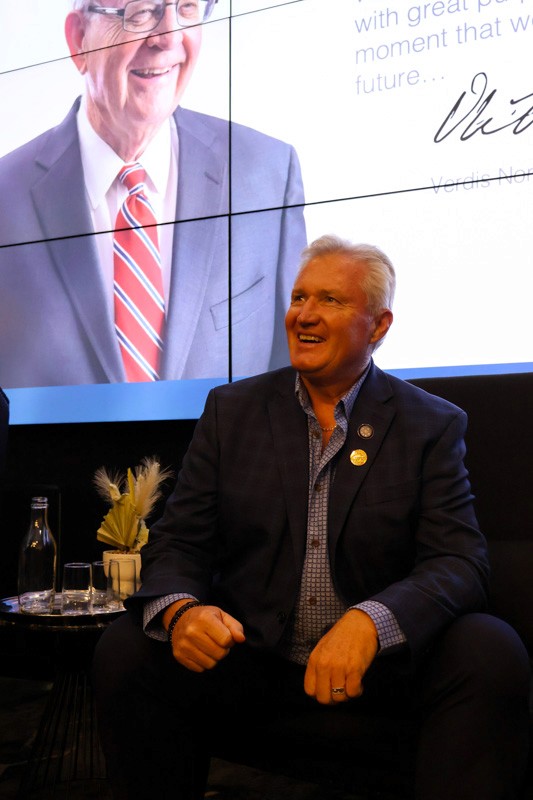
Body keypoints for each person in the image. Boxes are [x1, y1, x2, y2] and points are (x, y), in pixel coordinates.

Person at [93, 235, 530, 800]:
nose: (305, 314)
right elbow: (179, 541)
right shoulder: (233, 411)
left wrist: (372, 621)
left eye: (330, 300)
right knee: (127, 648)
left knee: (490, 651)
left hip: (381, 669)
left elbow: (458, 560)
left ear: (378, 326)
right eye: (299, 298)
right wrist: (180, 612)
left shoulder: (431, 424)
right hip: (255, 658)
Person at [0, 0, 306, 388]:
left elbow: (300, 382)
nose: (170, 37)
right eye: (142, 12)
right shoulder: (5, 199)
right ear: (79, 40)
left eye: (188, 8)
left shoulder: (267, 174)